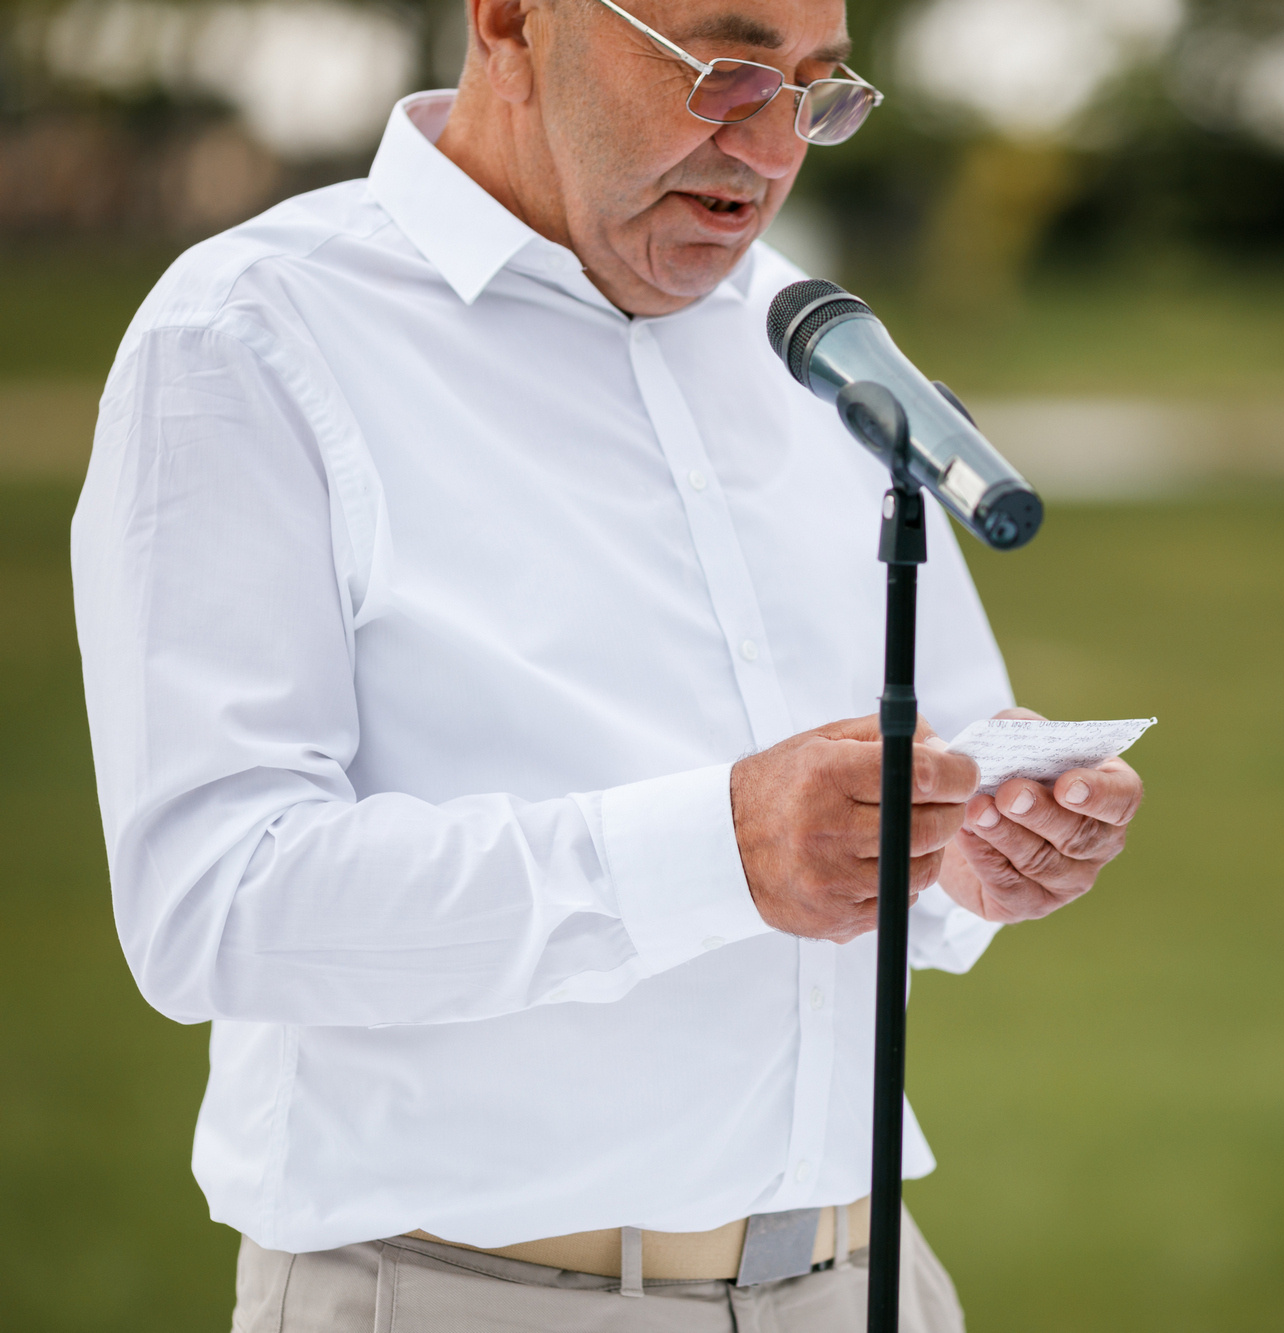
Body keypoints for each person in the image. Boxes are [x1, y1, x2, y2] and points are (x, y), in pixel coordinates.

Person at [69, 0, 1146, 1326]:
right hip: (472, 1293)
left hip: (871, 1278)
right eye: (727, 71)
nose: (767, 151)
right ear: (512, 18)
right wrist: (720, 849)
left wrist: (975, 856)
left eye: (815, 90)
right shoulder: (254, 331)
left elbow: (921, 782)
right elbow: (213, 905)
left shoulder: (808, 337)